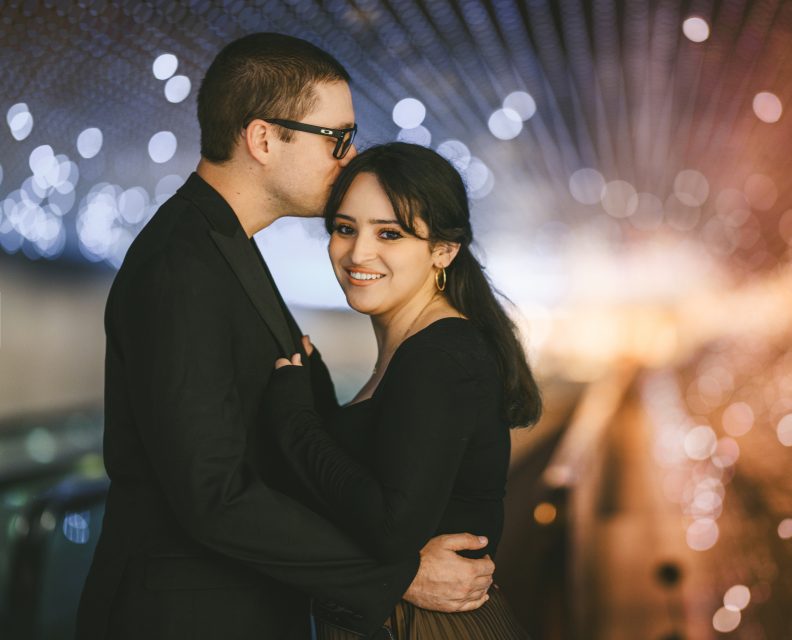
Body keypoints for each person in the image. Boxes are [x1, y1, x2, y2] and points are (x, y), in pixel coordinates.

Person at [76, 33, 494, 640]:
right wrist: (395, 575)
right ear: (264, 138)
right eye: (337, 139)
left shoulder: (223, 246)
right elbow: (213, 495)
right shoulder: (182, 265)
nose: (349, 158)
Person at [262, 142, 542, 639]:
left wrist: (295, 420)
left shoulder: (440, 357)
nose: (357, 252)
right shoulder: (418, 350)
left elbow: (393, 528)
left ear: (443, 250)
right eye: (345, 228)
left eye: (389, 233)